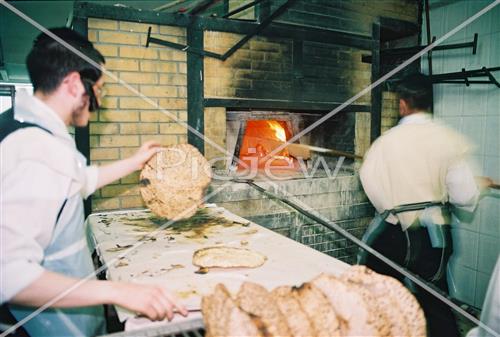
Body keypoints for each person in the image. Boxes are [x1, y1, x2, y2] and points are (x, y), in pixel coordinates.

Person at [0, 28, 187, 337]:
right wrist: (119, 292)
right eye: (99, 89)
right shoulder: (35, 152)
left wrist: (136, 160)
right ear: (74, 84)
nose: (100, 99)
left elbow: (77, 182)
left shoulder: (27, 126)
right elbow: (8, 275)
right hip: (47, 326)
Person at [358, 73, 485, 337]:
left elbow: (368, 180)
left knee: (375, 294)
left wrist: (393, 209)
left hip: (393, 234)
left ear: (402, 104)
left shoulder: (385, 142)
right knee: (435, 301)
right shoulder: (448, 140)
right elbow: (464, 195)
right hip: (433, 235)